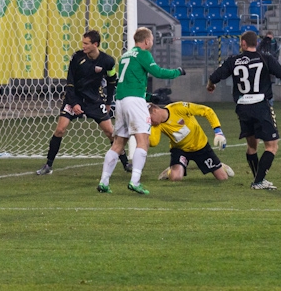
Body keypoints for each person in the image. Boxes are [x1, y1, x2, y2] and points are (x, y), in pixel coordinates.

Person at [207, 30, 281, 190]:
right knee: (272, 146)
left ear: (243, 43)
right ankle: (258, 181)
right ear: (256, 43)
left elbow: (214, 77)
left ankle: (258, 179)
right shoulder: (265, 58)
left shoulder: (233, 60)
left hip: (242, 107)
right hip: (260, 105)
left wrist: (211, 86)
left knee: (252, 146)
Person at [97, 27, 185, 195]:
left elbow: (130, 81)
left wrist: (149, 96)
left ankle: (104, 181)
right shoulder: (143, 54)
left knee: (118, 143)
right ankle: (135, 181)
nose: (152, 42)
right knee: (143, 140)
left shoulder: (125, 56)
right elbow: (158, 72)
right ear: (146, 41)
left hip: (121, 100)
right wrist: (177, 72)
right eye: (151, 40)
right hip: (134, 101)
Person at [36, 30, 130, 175]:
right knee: (60, 129)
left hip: (94, 100)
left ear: (95, 44)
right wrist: (74, 103)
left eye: (86, 43)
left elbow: (112, 81)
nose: (83, 46)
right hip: (74, 98)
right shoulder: (77, 57)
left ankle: (126, 164)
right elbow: (70, 82)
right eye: (83, 43)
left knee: (110, 132)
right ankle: (48, 165)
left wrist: (108, 102)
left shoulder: (108, 61)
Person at [149, 102, 234, 182]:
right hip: (180, 150)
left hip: (200, 146)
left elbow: (207, 111)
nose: (150, 122)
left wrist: (218, 131)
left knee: (223, 178)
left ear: (155, 111)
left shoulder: (178, 108)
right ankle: (171, 170)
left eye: (150, 118)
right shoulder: (156, 125)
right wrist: (148, 128)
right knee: (176, 177)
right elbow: (154, 142)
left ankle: (221, 166)